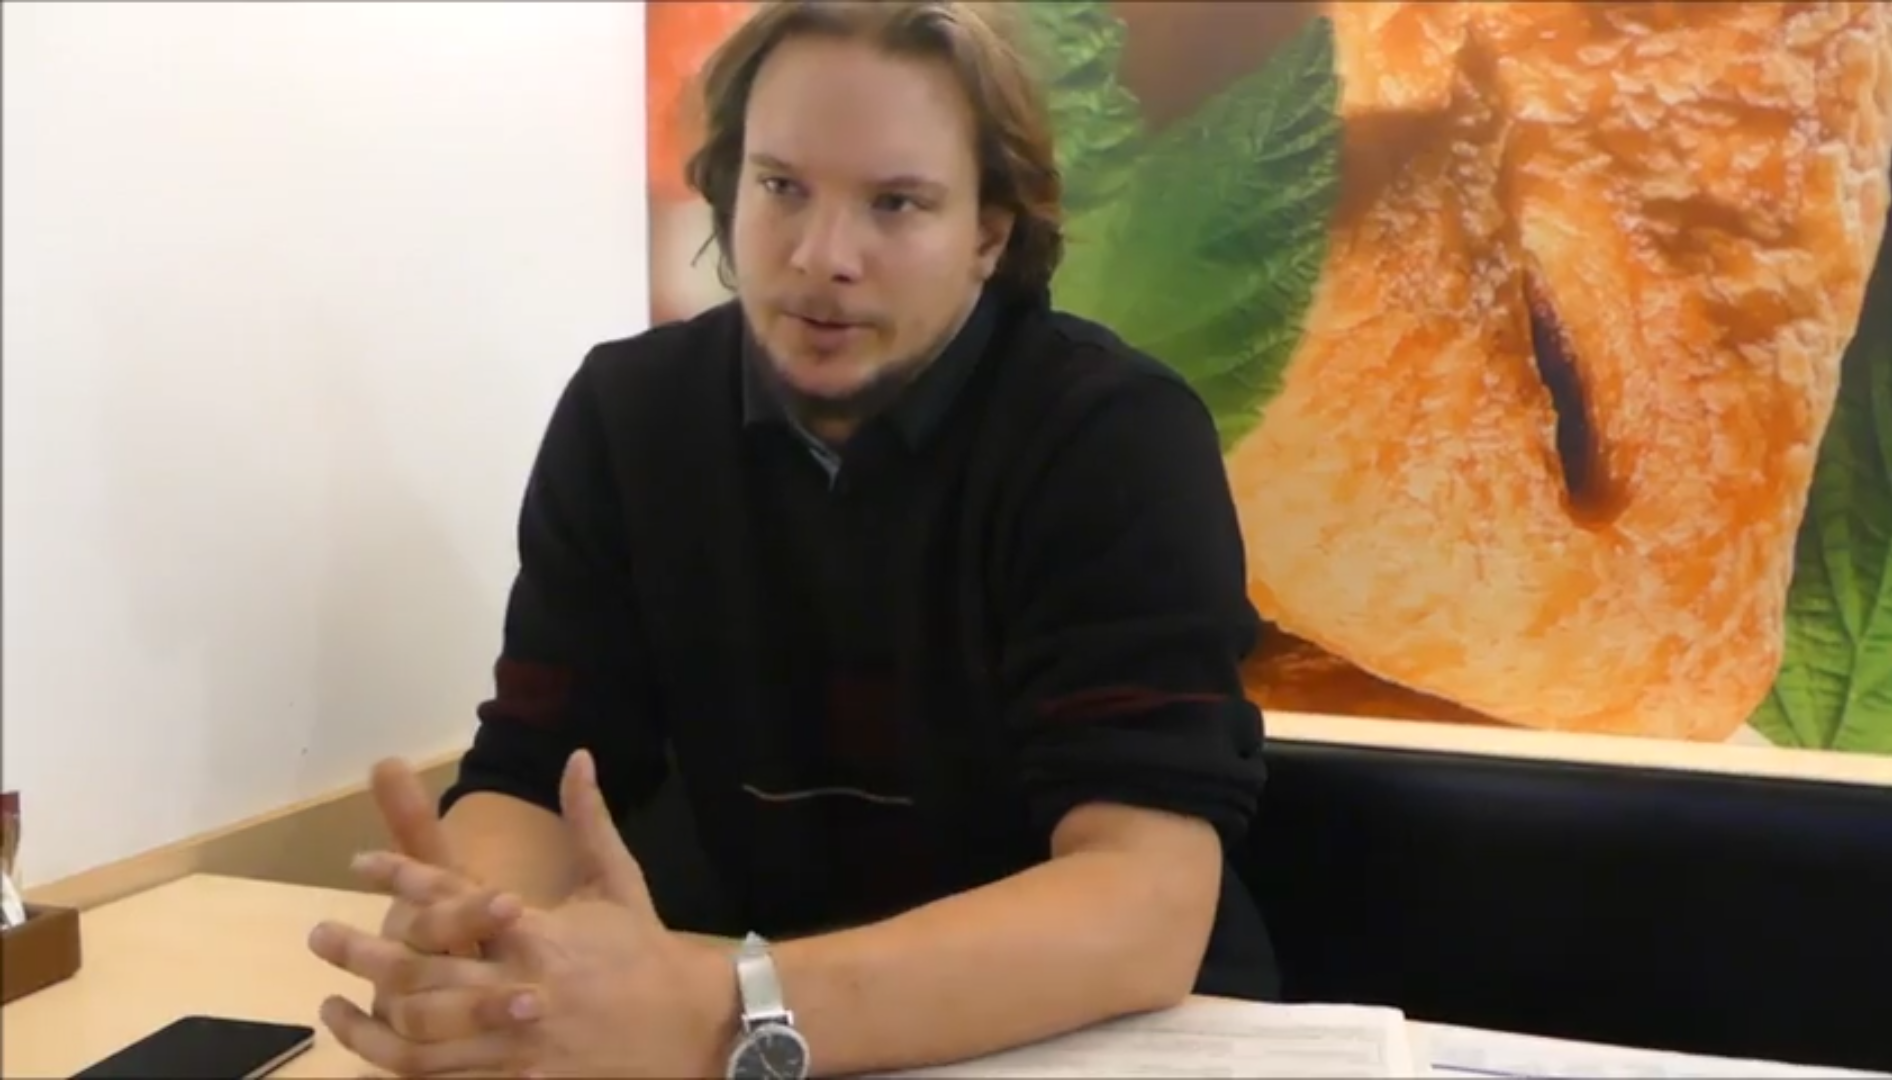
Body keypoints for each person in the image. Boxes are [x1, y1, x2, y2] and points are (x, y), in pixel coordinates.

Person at [305, 1, 1276, 1075]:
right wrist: (480, 942)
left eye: (896, 203)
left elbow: (1143, 904)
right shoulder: (630, 415)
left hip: (1096, 1038)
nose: (822, 256)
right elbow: (536, 774)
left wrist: (720, 1010)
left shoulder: (1113, 436)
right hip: (758, 1014)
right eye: (781, 188)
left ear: (989, 234)